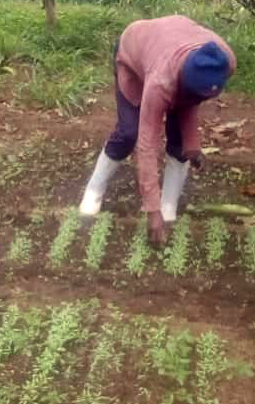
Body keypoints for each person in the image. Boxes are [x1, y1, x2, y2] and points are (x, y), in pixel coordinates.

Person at [79, 15, 236, 244]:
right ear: (181, 79)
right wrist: (152, 211)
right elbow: (147, 145)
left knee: (179, 144)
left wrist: (192, 146)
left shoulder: (225, 62)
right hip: (134, 53)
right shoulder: (162, 82)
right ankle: (93, 192)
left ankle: (169, 208)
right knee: (128, 134)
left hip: (167, 47)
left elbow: (192, 101)